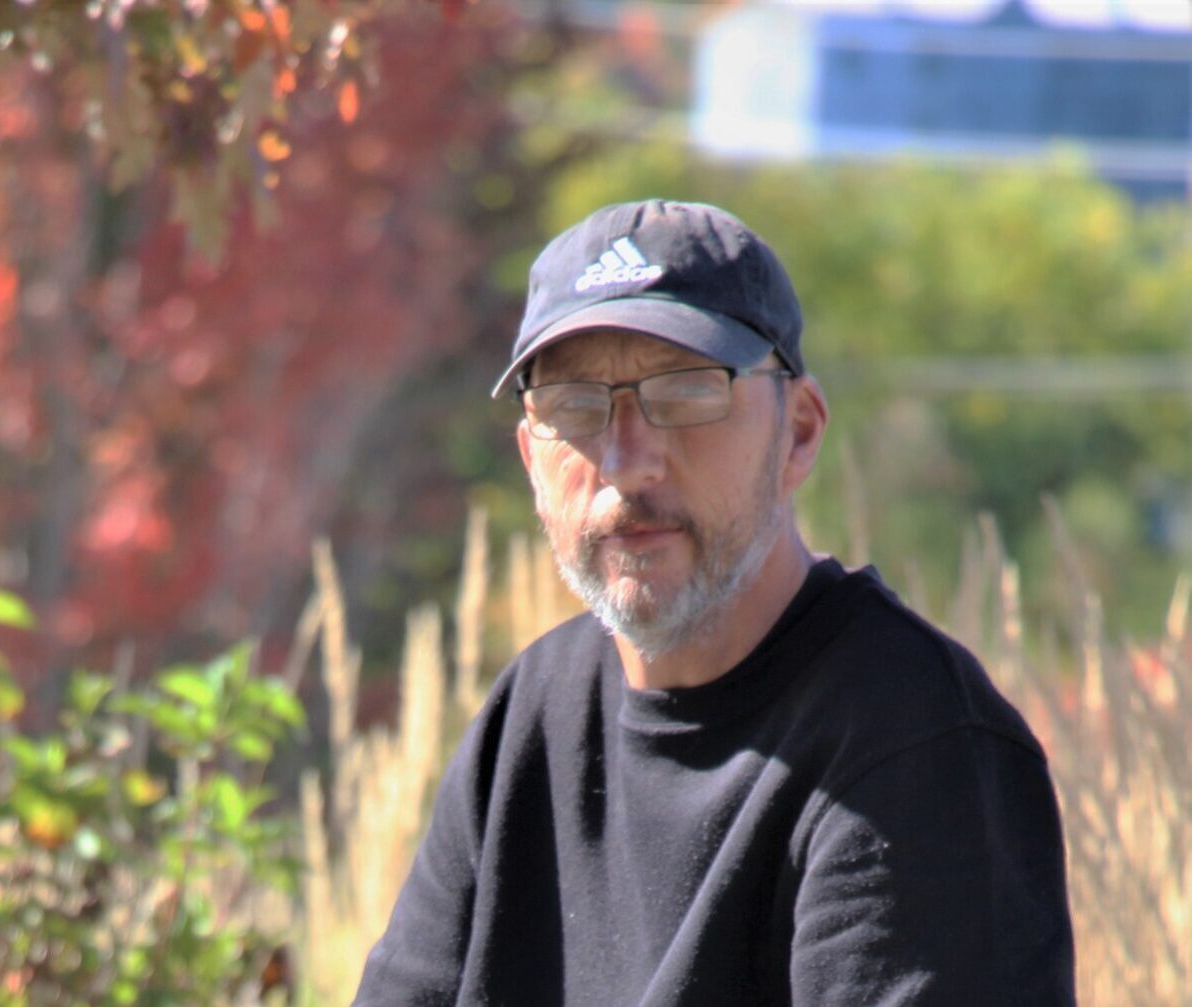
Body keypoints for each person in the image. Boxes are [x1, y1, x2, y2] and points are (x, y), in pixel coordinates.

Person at [353, 199, 1075, 1005]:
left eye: (687, 394)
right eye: (577, 406)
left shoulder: (913, 741)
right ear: (530, 454)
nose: (629, 460)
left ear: (798, 431)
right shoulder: (530, 715)